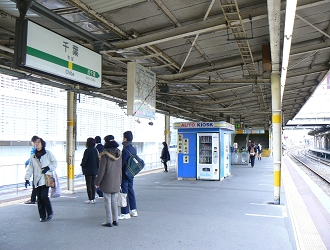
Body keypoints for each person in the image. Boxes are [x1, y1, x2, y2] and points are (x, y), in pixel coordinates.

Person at [25, 138, 57, 222]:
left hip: (46, 179)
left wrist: (48, 168)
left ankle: (49, 213)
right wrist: (27, 178)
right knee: (39, 198)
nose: (37, 144)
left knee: (44, 196)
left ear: (42, 144)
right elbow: (30, 168)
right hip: (37, 180)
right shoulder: (33, 156)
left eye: (38, 142)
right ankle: (42, 216)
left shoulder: (48, 154)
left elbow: (54, 163)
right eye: (35, 142)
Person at [95, 135, 122, 227]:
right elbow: (120, 169)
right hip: (116, 180)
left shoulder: (104, 155)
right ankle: (116, 220)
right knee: (114, 200)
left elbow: (101, 170)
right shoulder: (119, 153)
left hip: (107, 180)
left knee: (107, 200)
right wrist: (120, 180)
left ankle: (109, 221)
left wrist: (97, 182)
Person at [118, 131, 138, 220]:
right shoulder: (133, 148)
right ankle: (134, 210)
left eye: (123, 137)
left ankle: (125, 212)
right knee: (131, 191)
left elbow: (122, 163)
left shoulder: (125, 149)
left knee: (124, 193)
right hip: (131, 173)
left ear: (125, 138)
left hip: (125, 174)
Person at [81, 137, 99, 204]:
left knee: (88, 184)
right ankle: (93, 198)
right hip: (94, 170)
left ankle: (90, 198)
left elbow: (84, 160)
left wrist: (82, 165)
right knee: (93, 184)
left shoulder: (87, 150)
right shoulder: (95, 150)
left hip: (88, 170)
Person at [24, 135, 39, 204]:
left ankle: (33, 199)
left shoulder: (34, 148)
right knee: (38, 184)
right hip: (40, 169)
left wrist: (26, 163)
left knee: (35, 184)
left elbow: (31, 158)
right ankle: (38, 198)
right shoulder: (41, 148)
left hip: (36, 169)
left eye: (32, 142)